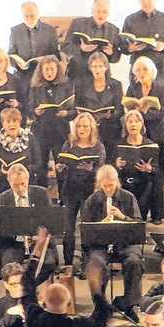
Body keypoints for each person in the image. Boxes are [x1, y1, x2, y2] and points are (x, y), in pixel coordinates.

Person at [20, 228, 113, 327]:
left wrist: (38, 250)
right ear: (69, 302)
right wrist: (95, 288)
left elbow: (27, 283)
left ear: (45, 302)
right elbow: (103, 314)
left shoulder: (35, 320)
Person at [82, 165, 143, 322]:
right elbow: (85, 231)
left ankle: (131, 305)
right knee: (96, 263)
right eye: (105, 186)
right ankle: (101, 306)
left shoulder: (128, 197)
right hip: (100, 246)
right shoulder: (92, 200)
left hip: (125, 244)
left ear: (117, 182)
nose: (109, 189)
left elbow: (138, 225)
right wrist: (101, 225)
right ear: (99, 184)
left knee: (133, 261)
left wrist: (123, 217)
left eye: (111, 185)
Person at [0, 164, 58, 284]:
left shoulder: (41, 193)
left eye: (23, 184)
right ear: (9, 181)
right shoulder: (1, 199)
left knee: (49, 264)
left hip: (40, 242)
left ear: (28, 179)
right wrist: (17, 236)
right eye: (15, 185)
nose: (20, 189)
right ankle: (22, 293)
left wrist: (38, 237)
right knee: (9, 269)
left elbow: (50, 221)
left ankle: (26, 289)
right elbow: (0, 231)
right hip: (14, 244)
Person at [57, 113, 106, 269]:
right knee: (68, 228)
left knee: (86, 228)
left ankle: (86, 264)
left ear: (92, 127)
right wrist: (61, 168)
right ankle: (68, 263)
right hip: (70, 188)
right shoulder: (68, 144)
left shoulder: (98, 146)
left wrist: (91, 169)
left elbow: (101, 171)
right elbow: (63, 164)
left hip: (89, 190)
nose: (82, 129)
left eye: (85, 126)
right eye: (79, 126)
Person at [125, 56, 164, 222]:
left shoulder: (160, 89)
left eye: (145, 70)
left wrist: (142, 113)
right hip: (137, 136)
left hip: (155, 135)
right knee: (138, 171)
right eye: (139, 70)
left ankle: (157, 214)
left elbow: (160, 113)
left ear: (152, 72)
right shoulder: (132, 89)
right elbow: (129, 111)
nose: (142, 73)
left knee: (155, 173)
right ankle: (137, 212)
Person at [28, 55, 76, 190]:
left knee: (61, 165)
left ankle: (63, 198)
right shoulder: (35, 87)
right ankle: (41, 197)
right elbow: (30, 107)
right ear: (41, 71)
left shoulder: (66, 85)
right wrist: (35, 112)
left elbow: (74, 109)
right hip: (41, 130)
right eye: (46, 69)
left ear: (57, 69)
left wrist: (67, 113)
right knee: (40, 166)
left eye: (52, 69)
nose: (49, 72)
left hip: (60, 130)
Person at [9, 1, 60, 121]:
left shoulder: (49, 30)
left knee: (41, 113)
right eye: (26, 16)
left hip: (44, 77)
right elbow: (11, 54)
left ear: (37, 13)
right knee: (23, 110)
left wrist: (45, 60)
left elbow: (56, 56)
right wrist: (17, 63)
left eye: (32, 15)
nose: (29, 18)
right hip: (23, 76)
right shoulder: (15, 31)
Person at [121, 0, 164, 89]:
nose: (146, 2)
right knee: (137, 102)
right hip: (137, 68)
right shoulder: (130, 20)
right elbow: (122, 46)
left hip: (158, 67)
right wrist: (129, 48)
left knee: (158, 102)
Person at [0, 107, 42, 205]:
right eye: (8, 121)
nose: (12, 124)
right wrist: (1, 171)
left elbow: (38, 163)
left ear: (20, 122)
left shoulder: (30, 138)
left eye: (15, 121)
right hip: (2, 184)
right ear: (2, 123)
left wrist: (23, 171)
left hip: (25, 184)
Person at [75, 51, 123, 162]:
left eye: (100, 66)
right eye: (95, 66)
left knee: (110, 159)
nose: (97, 70)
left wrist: (109, 116)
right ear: (90, 67)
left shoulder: (115, 85)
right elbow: (78, 106)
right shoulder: (82, 86)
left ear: (106, 67)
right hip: (89, 129)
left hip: (110, 128)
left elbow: (119, 109)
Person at [62, 0, 121, 85]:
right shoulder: (78, 24)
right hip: (78, 73)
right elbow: (65, 47)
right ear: (92, 11)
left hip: (101, 75)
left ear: (108, 13)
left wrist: (111, 52)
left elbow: (116, 58)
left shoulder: (113, 30)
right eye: (98, 11)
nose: (101, 14)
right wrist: (81, 48)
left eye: (104, 12)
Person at [115, 110, 157, 222]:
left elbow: (157, 169)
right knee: (124, 217)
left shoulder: (150, 144)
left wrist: (149, 169)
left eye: (136, 121)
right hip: (124, 185)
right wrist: (117, 165)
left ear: (142, 124)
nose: (133, 124)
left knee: (140, 218)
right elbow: (110, 167)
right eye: (130, 121)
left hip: (144, 185)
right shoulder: (119, 144)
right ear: (125, 125)